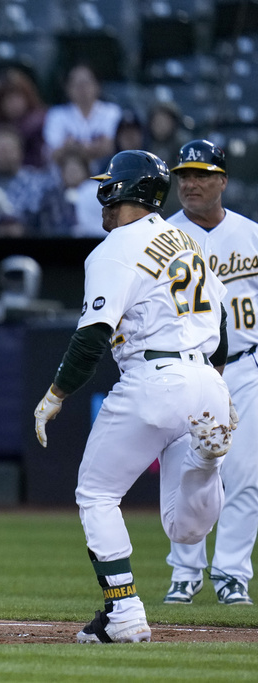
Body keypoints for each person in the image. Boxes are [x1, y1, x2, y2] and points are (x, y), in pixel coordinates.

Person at [33, 149, 234, 644]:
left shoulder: (116, 247)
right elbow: (224, 334)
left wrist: (55, 394)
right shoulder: (186, 239)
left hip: (152, 375)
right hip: (207, 378)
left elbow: (91, 337)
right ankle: (206, 462)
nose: (104, 193)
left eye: (110, 184)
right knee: (185, 532)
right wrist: (208, 388)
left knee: (96, 493)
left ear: (128, 190)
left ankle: (123, 613)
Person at [163, 140, 258, 607]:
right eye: (184, 175)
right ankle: (185, 572)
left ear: (223, 180)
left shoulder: (251, 235)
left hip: (246, 368)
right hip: (190, 370)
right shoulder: (163, 237)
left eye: (201, 175)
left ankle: (232, 574)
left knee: (246, 475)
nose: (191, 183)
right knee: (188, 472)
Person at [43, 63, 123, 175]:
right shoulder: (56, 115)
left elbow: (111, 148)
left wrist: (73, 147)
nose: (83, 89)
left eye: (86, 83)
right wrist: (94, 147)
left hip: (106, 175)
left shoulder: (112, 112)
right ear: (67, 88)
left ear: (97, 85)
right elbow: (54, 154)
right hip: (66, 179)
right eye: (77, 84)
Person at [0, 67, 49, 169]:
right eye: (7, 99)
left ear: (27, 96)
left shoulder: (42, 122)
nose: (13, 103)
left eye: (18, 97)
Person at [36, 148, 104, 237]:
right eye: (68, 170)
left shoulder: (96, 192)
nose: (72, 174)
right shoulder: (52, 198)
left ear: (86, 171)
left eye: (75, 170)